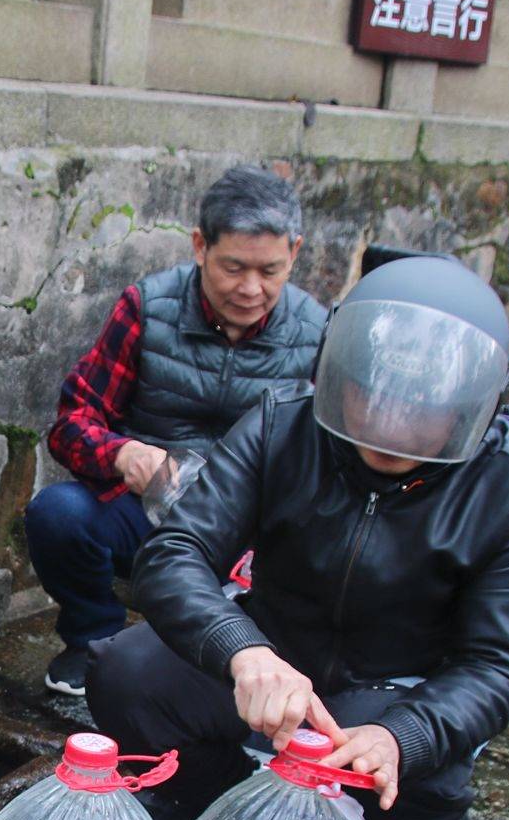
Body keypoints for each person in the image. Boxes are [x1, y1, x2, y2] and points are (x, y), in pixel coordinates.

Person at [86, 256, 509, 820]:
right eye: (372, 396)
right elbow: (176, 552)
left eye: (422, 409)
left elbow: (497, 664)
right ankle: (203, 807)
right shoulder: (282, 425)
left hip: (391, 686)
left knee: (429, 767)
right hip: (274, 651)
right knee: (127, 670)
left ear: (473, 403)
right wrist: (241, 648)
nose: (391, 423)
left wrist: (404, 734)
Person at [29, 164, 329, 696]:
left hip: (248, 535)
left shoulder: (318, 334)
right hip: (150, 508)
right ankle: (93, 639)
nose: (251, 288)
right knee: (57, 515)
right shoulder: (148, 307)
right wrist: (122, 455)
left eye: (270, 271)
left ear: (295, 254)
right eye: (234, 268)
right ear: (199, 246)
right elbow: (72, 422)